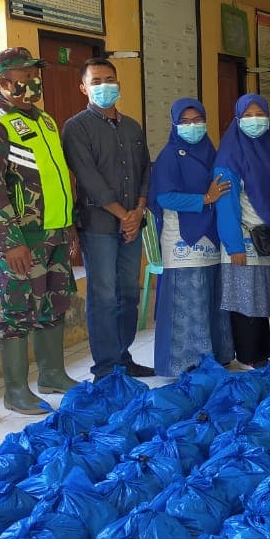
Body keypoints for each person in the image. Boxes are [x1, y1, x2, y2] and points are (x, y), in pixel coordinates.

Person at [0, 47, 78, 413]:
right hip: (23, 238)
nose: (33, 81)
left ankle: (52, 374)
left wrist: (69, 227)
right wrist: (8, 243)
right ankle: (15, 391)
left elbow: (59, 178)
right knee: (17, 312)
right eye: (24, 75)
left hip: (56, 231)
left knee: (54, 303)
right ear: (3, 81)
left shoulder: (45, 120)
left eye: (34, 73)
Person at [62, 57, 153, 380]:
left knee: (128, 291)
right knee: (103, 294)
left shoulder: (132, 127)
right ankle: (105, 367)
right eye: (96, 81)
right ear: (83, 87)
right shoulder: (75, 128)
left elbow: (145, 169)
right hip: (99, 226)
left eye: (109, 80)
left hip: (132, 223)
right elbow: (88, 178)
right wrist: (123, 215)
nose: (104, 86)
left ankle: (123, 357)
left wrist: (139, 210)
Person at [147, 98, 234, 376]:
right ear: (174, 124)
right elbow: (164, 197)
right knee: (187, 299)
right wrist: (204, 198)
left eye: (197, 120)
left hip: (209, 234)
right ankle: (184, 363)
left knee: (210, 296)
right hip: (182, 238)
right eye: (184, 121)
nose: (192, 126)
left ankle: (215, 357)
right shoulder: (170, 155)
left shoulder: (211, 152)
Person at [215, 94, 270, 368]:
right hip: (244, 239)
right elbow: (226, 206)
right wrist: (234, 246)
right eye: (248, 115)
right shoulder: (229, 156)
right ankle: (251, 357)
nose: (255, 121)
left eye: (260, 114)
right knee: (249, 300)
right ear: (237, 119)